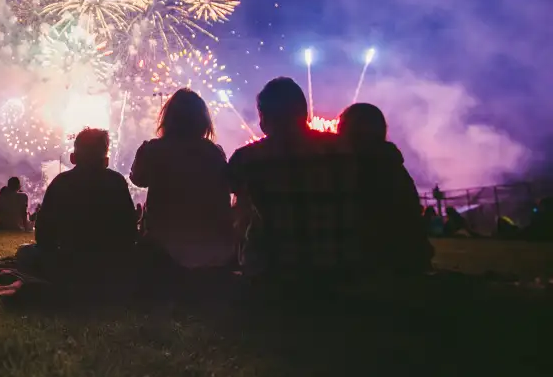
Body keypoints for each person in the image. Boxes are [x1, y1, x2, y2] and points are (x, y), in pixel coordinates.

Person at [228, 77, 361, 283]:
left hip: (271, 273)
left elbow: (230, 206)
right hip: (336, 270)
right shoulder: (340, 149)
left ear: (264, 116)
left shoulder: (246, 158)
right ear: (304, 112)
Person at [130, 88, 235, 272]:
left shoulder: (153, 150)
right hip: (212, 253)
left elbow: (137, 178)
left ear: (168, 118)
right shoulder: (213, 152)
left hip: (164, 252)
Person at [31, 128, 138, 289]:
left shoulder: (61, 182)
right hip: (111, 267)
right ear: (105, 158)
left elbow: (43, 234)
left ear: (74, 157)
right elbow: (129, 232)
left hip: (68, 263)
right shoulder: (116, 181)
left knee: (25, 254)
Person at [337, 102, 433, 274]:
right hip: (407, 264)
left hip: (377, 268)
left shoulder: (357, 170)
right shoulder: (392, 165)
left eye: (342, 126)